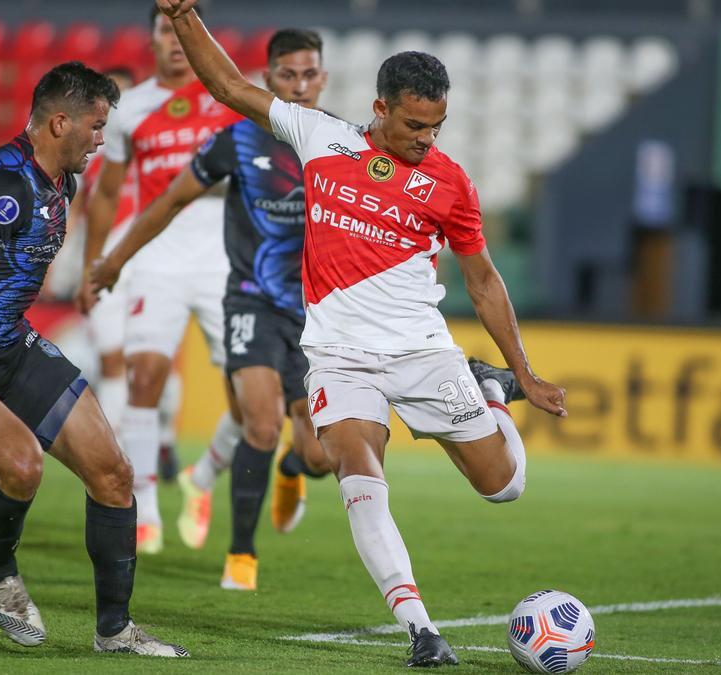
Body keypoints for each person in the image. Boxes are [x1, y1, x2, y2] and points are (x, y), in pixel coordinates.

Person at [154, 1, 569, 666]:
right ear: (380, 108)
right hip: (339, 355)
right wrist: (184, 16)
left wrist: (520, 373)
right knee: (354, 469)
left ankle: (485, 390)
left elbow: (485, 281)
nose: (425, 139)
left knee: (505, 485)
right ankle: (421, 628)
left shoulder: (451, 183)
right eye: (413, 124)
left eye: (436, 126)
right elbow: (230, 87)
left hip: (421, 351)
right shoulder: (322, 137)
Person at [0, 61, 188, 657]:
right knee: (21, 466)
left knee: (114, 474)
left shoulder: (58, 180)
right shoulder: (6, 188)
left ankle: (115, 632)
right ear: (58, 123)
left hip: (5, 339)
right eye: (96, 126)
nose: (101, 139)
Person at [92, 28, 334, 591]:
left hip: (317, 312)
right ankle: (240, 555)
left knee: (320, 454)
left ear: (323, 78)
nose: (299, 87)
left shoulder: (341, 143)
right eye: (288, 75)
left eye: (309, 74)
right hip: (248, 298)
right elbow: (169, 200)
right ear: (267, 79)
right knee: (260, 420)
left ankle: (293, 472)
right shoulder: (236, 139)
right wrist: (113, 259)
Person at [78, 4, 244, 555]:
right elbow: (106, 193)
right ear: (150, 38)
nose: (174, 41)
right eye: (164, 29)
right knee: (143, 378)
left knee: (249, 395)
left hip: (226, 261)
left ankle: (206, 471)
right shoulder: (131, 110)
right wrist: (94, 265)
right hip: (156, 259)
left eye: (183, 31)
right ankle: (143, 505)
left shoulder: (230, 99)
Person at [67, 65, 185, 483]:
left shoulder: (158, 150)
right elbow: (78, 209)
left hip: (151, 260)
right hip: (104, 261)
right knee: (113, 362)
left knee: (151, 363)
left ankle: (157, 443)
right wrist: (72, 266)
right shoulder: (92, 156)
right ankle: (119, 456)